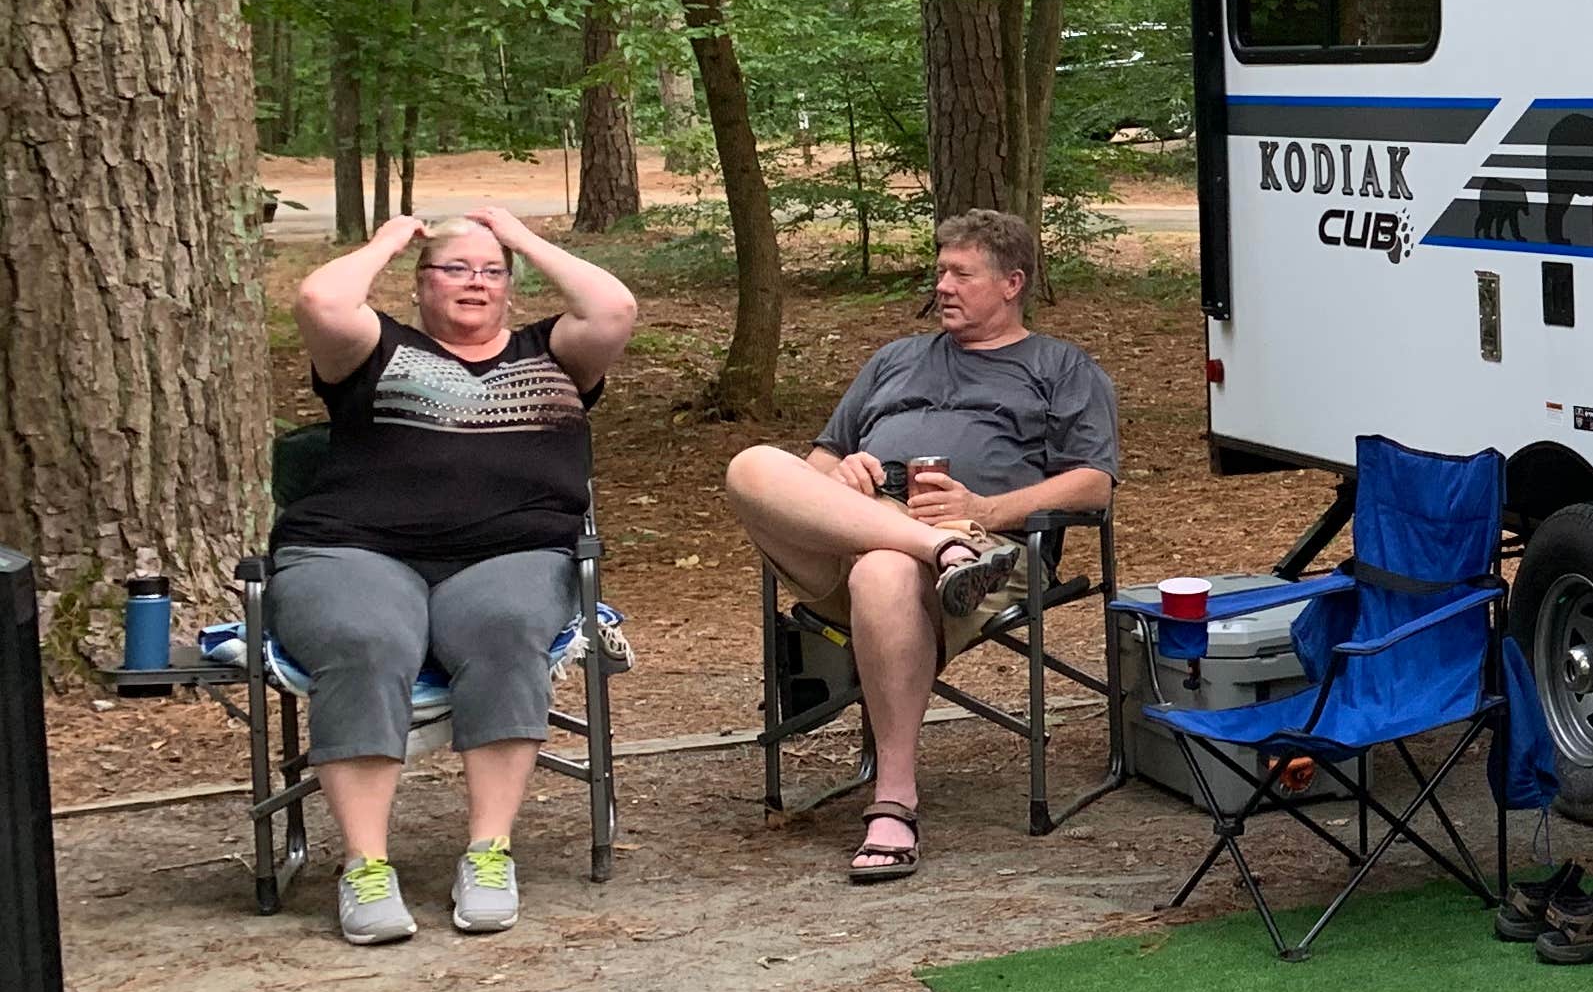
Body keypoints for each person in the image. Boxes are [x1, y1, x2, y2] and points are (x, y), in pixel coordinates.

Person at [273, 207, 639, 946]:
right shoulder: (373, 348)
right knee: (365, 636)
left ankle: (489, 852)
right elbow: (320, 302)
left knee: (506, 629)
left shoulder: (556, 352)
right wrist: (387, 240)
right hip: (355, 550)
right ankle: (365, 866)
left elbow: (614, 307)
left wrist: (521, 237)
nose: (475, 282)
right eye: (455, 268)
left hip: (512, 554)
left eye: (491, 271)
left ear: (510, 286)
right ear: (420, 283)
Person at [720, 210, 1119, 884]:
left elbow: (1094, 484)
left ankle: (894, 802)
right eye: (940, 272)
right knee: (751, 464)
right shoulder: (895, 359)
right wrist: (843, 475)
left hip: (989, 550)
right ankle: (932, 547)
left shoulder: (1060, 368)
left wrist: (984, 509)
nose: (943, 286)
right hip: (869, 535)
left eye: (961, 273)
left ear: (1012, 283)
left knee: (882, 569)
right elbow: (814, 468)